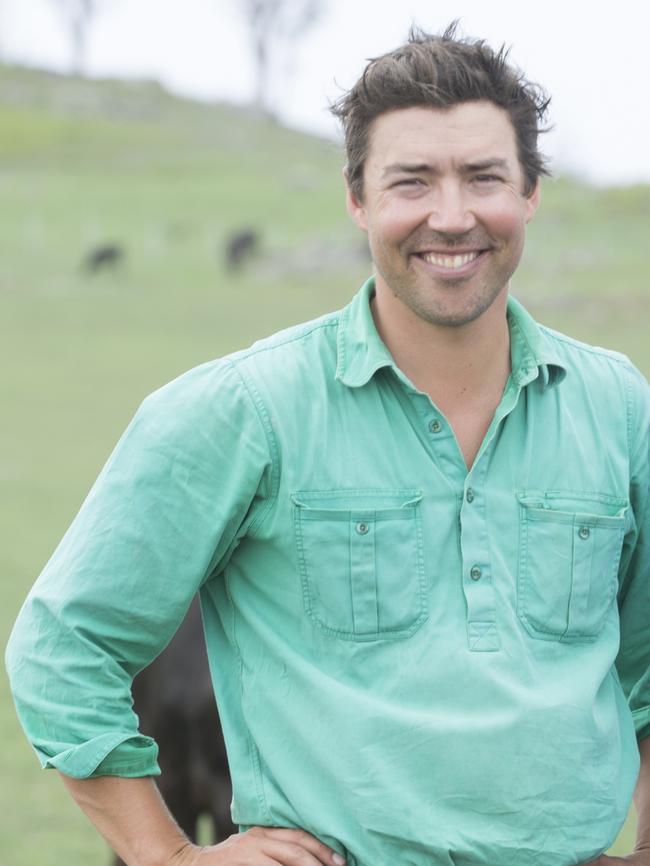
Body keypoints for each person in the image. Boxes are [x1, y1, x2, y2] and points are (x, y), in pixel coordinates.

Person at [6, 22, 650, 866]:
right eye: (411, 181)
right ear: (357, 198)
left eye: (484, 177)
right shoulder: (240, 409)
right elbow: (62, 649)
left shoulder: (619, 406)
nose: (451, 217)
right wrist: (168, 856)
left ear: (530, 191)